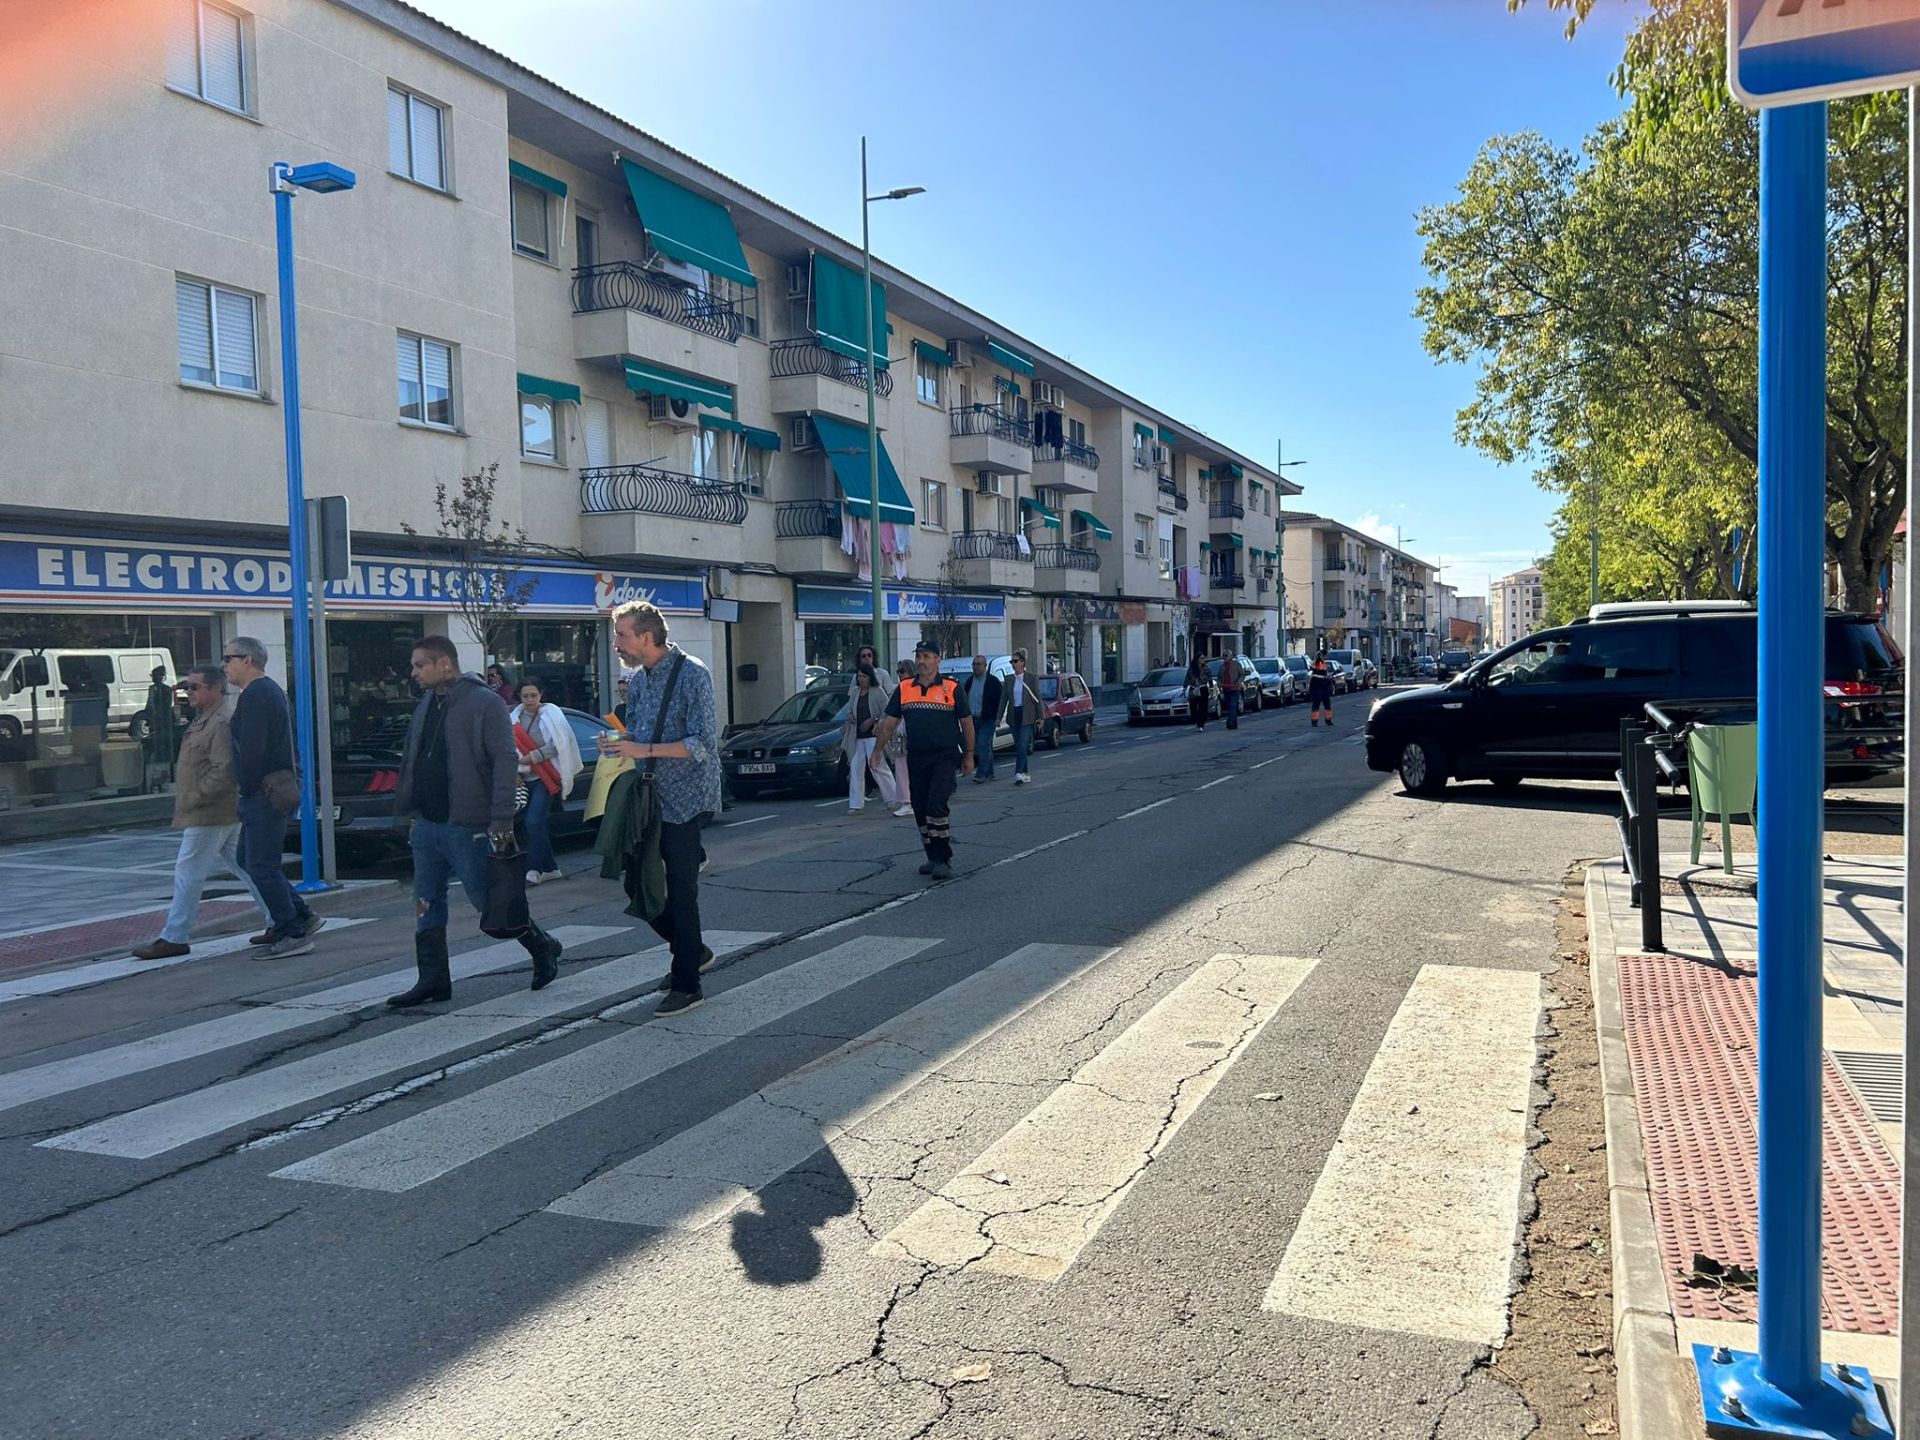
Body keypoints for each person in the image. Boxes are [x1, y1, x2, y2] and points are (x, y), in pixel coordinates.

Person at [388, 636, 562, 1008]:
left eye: (420, 665)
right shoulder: (427, 702)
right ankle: (432, 980)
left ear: (444, 664)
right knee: (425, 900)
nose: (413, 672)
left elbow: (504, 760)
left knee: (489, 899)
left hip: (467, 823)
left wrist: (501, 817)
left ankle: (541, 945)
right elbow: (415, 759)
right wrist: (408, 810)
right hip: (427, 824)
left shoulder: (484, 702)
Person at [599, 599, 720, 1018]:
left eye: (622, 635)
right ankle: (692, 949)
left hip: (686, 800)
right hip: (649, 797)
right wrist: (619, 743)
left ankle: (688, 984)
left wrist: (643, 749)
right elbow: (638, 734)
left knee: (682, 892)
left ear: (646, 636)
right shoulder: (639, 679)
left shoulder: (693, 674)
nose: (616, 643)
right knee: (637, 883)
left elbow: (702, 744)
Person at [130, 665, 271, 960]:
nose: (188, 693)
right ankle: (284, 917)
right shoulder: (205, 719)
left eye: (195, 687)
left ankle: (174, 936)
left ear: (216, 689)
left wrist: (196, 796)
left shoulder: (219, 722)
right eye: (187, 687)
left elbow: (225, 769)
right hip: (218, 809)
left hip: (210, 810)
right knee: (245, 866)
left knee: (188, 870)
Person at [223, 636, 322, 958]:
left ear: (247, 660)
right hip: (266, 790)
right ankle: (301, 915)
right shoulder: (264, 692)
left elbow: (253, 749)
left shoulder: (258, 695)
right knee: (248, 859)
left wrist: (246, 787)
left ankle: (292, 932)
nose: (224, 665)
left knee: (261, 865)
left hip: (263, 792)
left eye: (228, 658)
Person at [871, 640, 975, 881]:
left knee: (936, 804)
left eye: (927, 656)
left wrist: (969, 755)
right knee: (919, 807)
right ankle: (932, 854)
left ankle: (943, 858)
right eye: (919, 656)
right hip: (917, 756)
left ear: (937, 659)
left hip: (945, 756)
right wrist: (877, 751)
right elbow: (889, 723)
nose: (922, 661)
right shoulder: (905, 688)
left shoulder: (952, 688)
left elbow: (967, 723)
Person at [511, 677, 582, 886]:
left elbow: (561, 743)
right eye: (525, 696)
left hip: (546, 777)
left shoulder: (552, 714)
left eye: (533, 695)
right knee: (534, 824)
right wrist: (515, 770)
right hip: (523, 778)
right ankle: (550, 868)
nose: (529, 699)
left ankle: (534, 869)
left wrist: (534, 756)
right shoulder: (512, 718)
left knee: (534, 821)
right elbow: (507, 746)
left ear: (541, 694)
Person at [844, 665, 884, 814]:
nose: (861, 679)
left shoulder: (877, 691)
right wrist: (850, 715)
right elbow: (850, 709)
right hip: (857, 736)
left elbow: (886, 709)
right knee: (855, 768)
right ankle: (856, 804)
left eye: (864, 676)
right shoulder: (855, 692)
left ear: (870, 677)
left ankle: (892, 796)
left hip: (872, 735)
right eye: (859, 676)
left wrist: (873, 720)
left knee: (878, 767)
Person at [1005, 649, 1043, 785]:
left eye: (1015, 661)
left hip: (1027, 715)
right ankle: (1025, 773)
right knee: (1019, 745)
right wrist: (998, 717)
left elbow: (1037, 698)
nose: (1013, 664)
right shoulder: (1009, 679)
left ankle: (1019, 772)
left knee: (1022, 744)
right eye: (1011, 661)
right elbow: (1003, 699)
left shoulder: (1031, 678)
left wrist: (1041, 717)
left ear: (1022, 662)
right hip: (1014, 714)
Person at [962, 654, 1002, 782]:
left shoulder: (993, 682)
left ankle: (981, 773)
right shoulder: (969, 681)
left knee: (983, 743)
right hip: (973, 719)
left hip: (988, 719)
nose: (976, 667)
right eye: (974, 664)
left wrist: (998, 716)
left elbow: (1000, 700)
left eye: (978, 664)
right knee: (984, 746)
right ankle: (990, 772)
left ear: (985, 666)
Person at [885, 661, 915, 816]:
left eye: (902, 671)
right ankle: (906, 800)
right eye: (898, 671)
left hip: (912, 732)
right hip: (901, 733)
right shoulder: (900, 689)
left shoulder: (913, 688)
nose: (900, 674)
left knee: (908, 767)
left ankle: (909, 801)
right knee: (901, 766)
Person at [1308, 645, 1335, 727]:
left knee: (1325, 704)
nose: (1326, 657)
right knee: (1318, 704)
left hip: (1322, 686)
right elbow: (1319, 670)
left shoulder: (1321, 663)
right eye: (1325, 655)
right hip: (1318, 685)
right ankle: (1316, 721)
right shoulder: (1318, 663)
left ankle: (1326, 720)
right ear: (1322, 655)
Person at [1219, 642, 1243, 731]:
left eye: (1226, 656)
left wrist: (1238, 682)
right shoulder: (1222, 666)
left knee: (1233, 705)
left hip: (1235, 689)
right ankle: (1234, 724)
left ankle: (1229, 722)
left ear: (1230, 656)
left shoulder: (1236, 664)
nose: (1224, 657)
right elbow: (1219, 677)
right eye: (1223, 656)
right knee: (1230, 707)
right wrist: (1219, 683)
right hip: (1226, 689)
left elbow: (1242, 674)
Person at [1185, 649, 1211, 730]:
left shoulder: (1206, 668)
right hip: (1193, 688)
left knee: (1203, 707)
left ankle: (1201, 724)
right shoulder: (1192, 668)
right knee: (1193, 707)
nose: (1203, 660)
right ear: (1197, 659)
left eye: (1203, 658)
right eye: (1201, 658)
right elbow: (1187, 678)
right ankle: (1196, 720)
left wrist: (1211, 688)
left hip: (1203, 688)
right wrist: (1184, 688)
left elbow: (1209, 677)